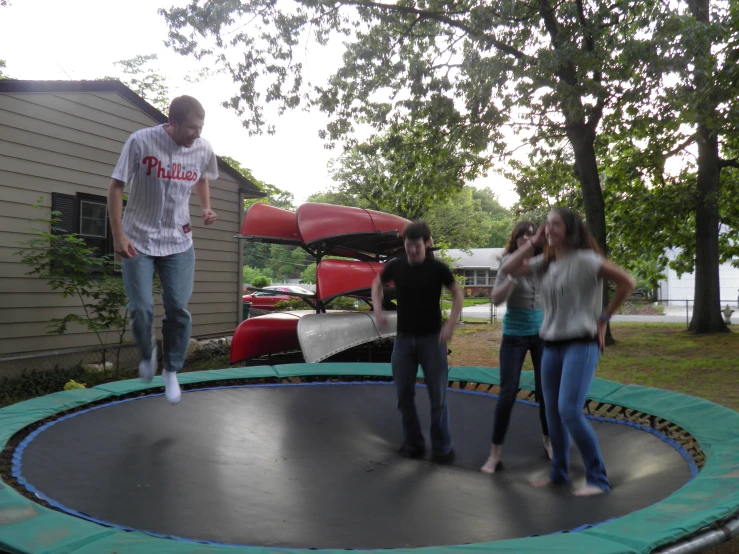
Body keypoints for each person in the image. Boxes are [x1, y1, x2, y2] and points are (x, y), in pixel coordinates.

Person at [501, 208, 635, 496]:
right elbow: (508, 269)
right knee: (552, 413)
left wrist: (603, 318)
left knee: (569, 411)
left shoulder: (587, 260)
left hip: (581, 343)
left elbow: (627, 283)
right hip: (550, 345)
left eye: (555, 225)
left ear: (571, 230)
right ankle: (558, 473)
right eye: (547, 225)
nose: (549, 229)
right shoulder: (546, 262)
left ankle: (598, 478)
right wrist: (532, 243)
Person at [107, 95, 219, 405]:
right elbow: (116, 186)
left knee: (178, 309)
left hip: (178, 240)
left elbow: (201, 178)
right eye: (191, 128)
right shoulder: (141, 142)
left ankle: (171, 369)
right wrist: (118, 235)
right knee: (141, 307)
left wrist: (206, 207)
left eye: (201, 128)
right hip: (137, 237)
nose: (196, 134)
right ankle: (147, 354)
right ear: (172, 123)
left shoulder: (203, 147)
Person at [372, 221, 464, 463]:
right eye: (408, 246)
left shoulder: (438, 269)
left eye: (417, 246)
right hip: (404, 341)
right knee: (404, 395)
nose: (412, 251)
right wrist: (378, 309)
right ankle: (413, 444)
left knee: (438, 397)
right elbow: (377, 284)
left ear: (426, 244)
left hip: (432, 341)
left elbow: (457, 293)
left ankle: (442, 449)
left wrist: (450, 325)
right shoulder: (396, 266)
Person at [481, 222, 550, 474]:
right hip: (514, 335)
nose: (527, 238)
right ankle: (494, 454)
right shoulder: (508, 262)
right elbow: (496, 300)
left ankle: (549, 442)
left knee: (546, 393)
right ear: (516, 238)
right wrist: (511, 279)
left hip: (541, 335)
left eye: (532, 234)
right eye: (522, 234)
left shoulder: (544, 261)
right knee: (507, 394)